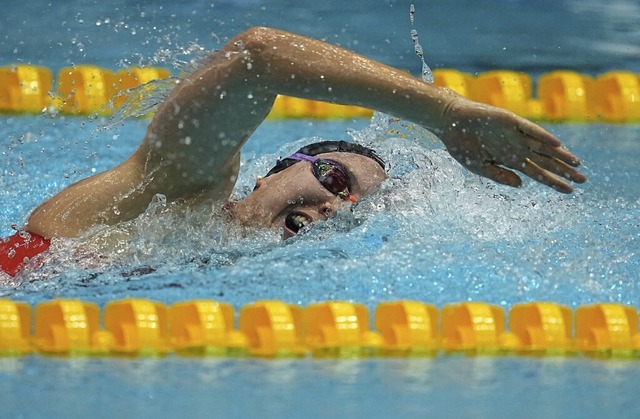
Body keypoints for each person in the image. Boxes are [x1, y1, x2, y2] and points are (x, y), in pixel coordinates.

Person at [0, 26, 586, 277]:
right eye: (335, 179)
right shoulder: (181, 191)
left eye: (354, 204)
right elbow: (256, 57)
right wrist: (444, 112)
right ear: (269, 175)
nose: (339, 205)